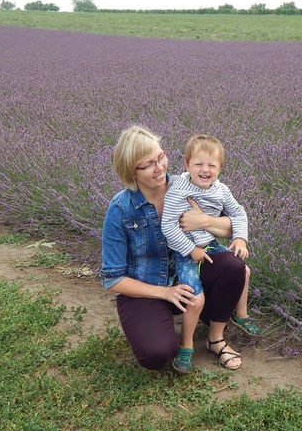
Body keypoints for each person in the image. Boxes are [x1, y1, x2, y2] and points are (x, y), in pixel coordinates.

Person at [101, 125, 249, 372]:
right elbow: (112, 279)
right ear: (131, 171)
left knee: (234, 266)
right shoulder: (121, 209)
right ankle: (162, 321)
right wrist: (165, 293)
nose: (159, 167)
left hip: (190, 274)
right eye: (147, 165)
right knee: (157, 354)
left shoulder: (189, 184)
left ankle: (215, 338)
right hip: (148, 288)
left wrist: (205, 221)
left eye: (160, 157)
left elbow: (232, 226)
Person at [161, 134, 259, 374]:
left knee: (243, 270)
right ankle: (186, 345)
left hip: (210, 244)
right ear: (187, 164)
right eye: (198, 164)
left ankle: (240, 315)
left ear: (220, 168)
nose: (205, 170)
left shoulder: (221, 190)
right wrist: (190, 249)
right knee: (195, 298)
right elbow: (168, 227)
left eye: (212, 165)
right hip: (184, 251)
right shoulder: (178, 189)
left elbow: (238, 213)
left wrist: (240, 238)